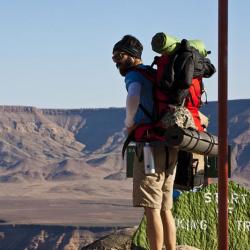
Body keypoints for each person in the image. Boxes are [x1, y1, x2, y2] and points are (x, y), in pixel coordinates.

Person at [112, 34, 178, 250]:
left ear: (131, 56)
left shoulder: (134, 76)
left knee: (151, 207)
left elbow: (134, 95)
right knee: (165, 207)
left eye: (118, 56)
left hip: (150, 146)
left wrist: (129, 123)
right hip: (170, 144)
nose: (116, 61)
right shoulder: (152, 74)